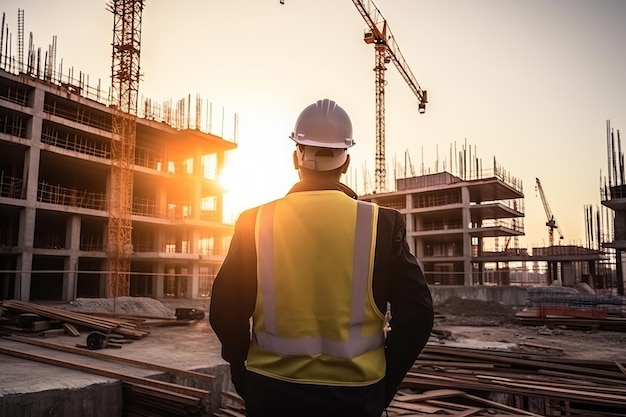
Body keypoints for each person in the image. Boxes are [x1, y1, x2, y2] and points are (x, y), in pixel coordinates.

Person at [209, 98, 433, 417]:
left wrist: (242, 371)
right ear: (346, 162)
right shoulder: (381, 224)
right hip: (356, 396)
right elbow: (418, 315)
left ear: (295, 158)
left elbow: (225, 310)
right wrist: (385, 383)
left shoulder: (255, 221)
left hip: (272, 392)